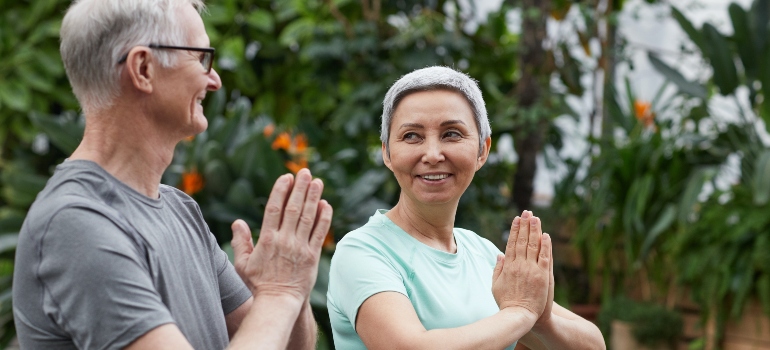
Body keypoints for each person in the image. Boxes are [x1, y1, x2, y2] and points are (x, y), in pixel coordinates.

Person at [12, 0, 332, 349]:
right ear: (143, 68)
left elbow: (283, 345)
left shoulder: (181, 209)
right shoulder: (73, 223)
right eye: (200, 58)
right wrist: (279, 292)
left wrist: (292, 287)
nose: (215, 80)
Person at [327, 66, 606, 349]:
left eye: (451, 134)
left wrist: (541, 320)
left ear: (482, 151)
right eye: (412, 136)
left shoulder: (483, 254)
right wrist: (520, 313)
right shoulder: (363, 251)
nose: (433, 155)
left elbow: (594, 345)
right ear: (387, 152)